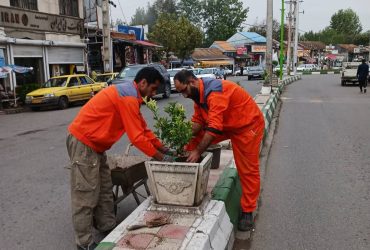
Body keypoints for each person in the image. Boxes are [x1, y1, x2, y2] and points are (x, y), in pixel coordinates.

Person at [67, 67, 174, 250]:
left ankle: (107, 227)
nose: (154, 93)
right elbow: (137, 137)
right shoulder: (128, 97)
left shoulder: (132, 96)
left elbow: (143, 129)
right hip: (84, 143)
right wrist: (160, 157)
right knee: (86, 194)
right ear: (143, 83)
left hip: (96, 146)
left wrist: (162, 147)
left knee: (105, 189)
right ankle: (83, 243)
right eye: (153, 88)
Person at [174, 70, 265, 231]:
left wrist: (197, 151)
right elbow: (198, 121)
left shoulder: (214, 92)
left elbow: (214, 127)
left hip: (247, 126)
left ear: (192, 82)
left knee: (247, 169)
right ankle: (187, 185)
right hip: (228, 124)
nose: (184, 96)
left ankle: (248, 210)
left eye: (184, 91)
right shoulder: (199, 95)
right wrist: (183, 138)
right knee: (193, 140)